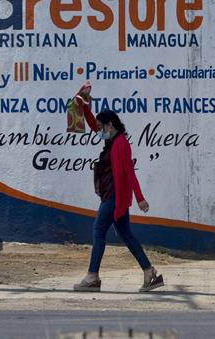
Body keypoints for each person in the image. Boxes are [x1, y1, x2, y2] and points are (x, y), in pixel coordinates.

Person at [72, 92, 164, 292]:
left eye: (100, 127)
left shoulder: (121, 144)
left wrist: (140, 198)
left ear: (110, 125)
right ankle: (150, 272)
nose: (98, 131)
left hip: (114, 197)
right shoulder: (111, 141)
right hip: (112, 195)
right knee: (126, 234)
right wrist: (85, 106)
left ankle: (92, 276)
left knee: (98, 231)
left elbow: (130, 172)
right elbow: (91, 123)